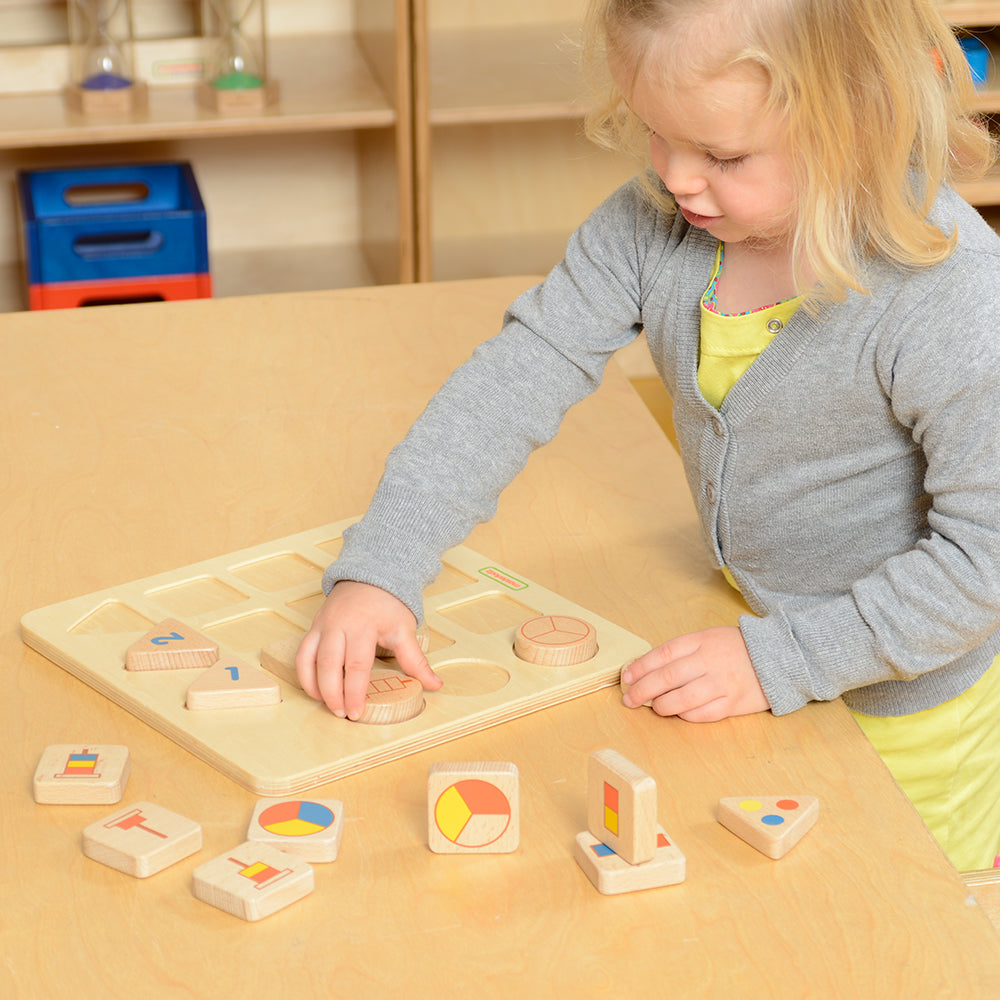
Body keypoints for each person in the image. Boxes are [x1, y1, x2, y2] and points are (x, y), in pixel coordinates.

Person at [296, 0, 1000, 871]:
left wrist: (778, 660)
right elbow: (515, 379)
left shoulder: (953, 297)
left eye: (724, 154)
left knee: (904, 913)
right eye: (655, 132)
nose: (676, 178)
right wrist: (383, 564)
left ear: (864, 121)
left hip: (908, 697)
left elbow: (985, 561)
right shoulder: (656, 221)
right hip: (749, 637)